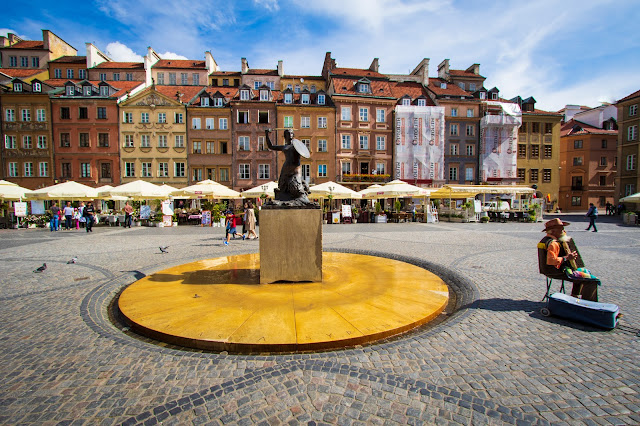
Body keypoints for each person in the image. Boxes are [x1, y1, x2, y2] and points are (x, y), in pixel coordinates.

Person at [538, 218, 599, 301]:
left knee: (582, 271)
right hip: (555, 271)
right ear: (553, 231)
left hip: (550, 270)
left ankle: (575, 296)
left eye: (562, 228)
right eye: (560, 229)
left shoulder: (547, 240)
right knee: (590, 280)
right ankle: (588, 304)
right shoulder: (553, 243)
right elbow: (551, 261)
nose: (563, 230)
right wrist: (567, 258)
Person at [265, 128, 314, 206]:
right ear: (285, 136)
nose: (290, 135)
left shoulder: (296, 146)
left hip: (295, 169)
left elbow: (304, 152)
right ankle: (283, 199)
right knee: (282, 187)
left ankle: (300, 199)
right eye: (288, 134)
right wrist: (267, 135)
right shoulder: (285, 146)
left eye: (291, 133)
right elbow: (271, 146)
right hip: (285, 169)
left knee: (296, 187)